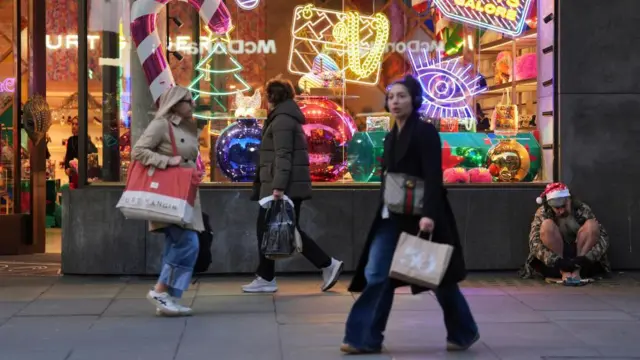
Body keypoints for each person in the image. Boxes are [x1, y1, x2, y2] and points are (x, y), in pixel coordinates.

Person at [342, 75, 478, 354]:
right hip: (391, 216)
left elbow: (432, 175)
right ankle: (364, 338)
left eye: (401, 96)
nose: (395, 102)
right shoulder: (393, 134)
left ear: (414, 99)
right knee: (377, 275)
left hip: (421, 216)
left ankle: (463, 332)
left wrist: (429, 214)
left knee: (438, 279)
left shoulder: (424, 132)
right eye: (391, 97)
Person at [244, 77, 343, 293]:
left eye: (265, 96)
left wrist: (277, 187)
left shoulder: (282, 121)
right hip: (283, 185)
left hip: (281, 187)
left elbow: (283, 155)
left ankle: (325, 264)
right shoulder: (285, 118)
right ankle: (268, 276)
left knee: (270, 228)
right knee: (282, 229)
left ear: (272, 97)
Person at [132, 86, 204, 316]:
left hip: (185, 192)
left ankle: (171, 298)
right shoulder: (162, 124)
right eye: (188, 101)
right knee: (188, 243)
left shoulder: (185, 126)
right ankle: (160, 291)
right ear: (175, 103)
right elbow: (139, 151)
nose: (192, 105)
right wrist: (169, 161)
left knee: (176, 244)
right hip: (168, 193)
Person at [520, 183, 610, 283]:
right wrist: (557, 262)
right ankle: (564, 273)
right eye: (557, 208)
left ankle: (577, 272)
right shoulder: (543, 212)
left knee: (592, 225)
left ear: (569, 200)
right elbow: (534, 243)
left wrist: (586, 259)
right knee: (547, 225)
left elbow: (603, 238)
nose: (561, 211)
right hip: (554, 263)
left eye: (564, 206)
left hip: (582, 259)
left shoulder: (581, 209)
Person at [63, 116, 98, 181]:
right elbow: (68, 156)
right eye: (73, 124)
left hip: (83, 174)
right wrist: (67, 168)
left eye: (76, 124)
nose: (74, 126)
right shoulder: (70, 140)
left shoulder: (86, 140)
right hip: (73, 174)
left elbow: (93, 155)